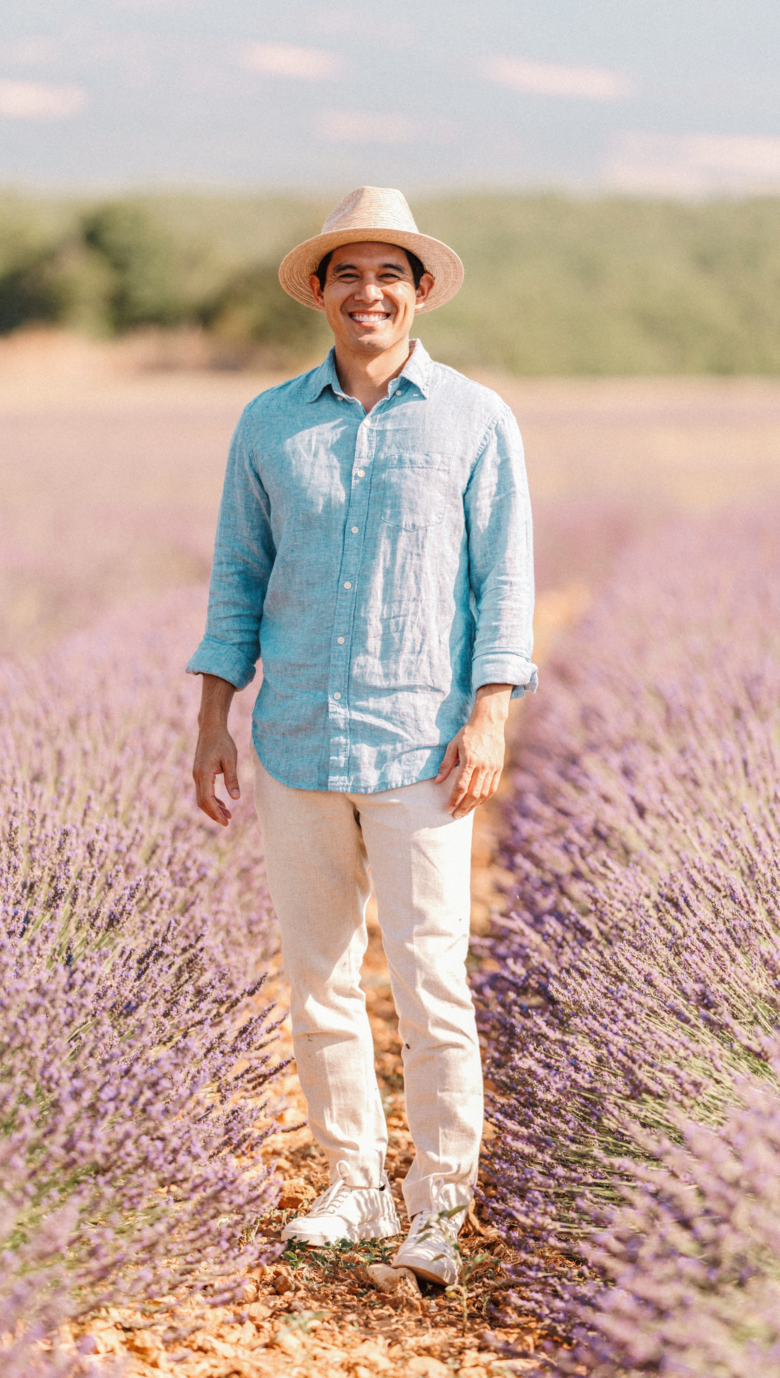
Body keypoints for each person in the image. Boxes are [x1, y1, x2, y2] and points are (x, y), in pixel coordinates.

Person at [188, 186, 536, 1286]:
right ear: (322, 294)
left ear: (419, 291)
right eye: (349, 274)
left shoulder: (475, 418)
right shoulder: (269, 423)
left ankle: (439, 1205)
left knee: (432, 977)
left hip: (425, 744)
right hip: (293, 735)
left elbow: (506, 581)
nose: (369, 292)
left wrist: (490, 713)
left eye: (389, 273)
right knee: (319, 978)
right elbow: (239, 576)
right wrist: (213, 717)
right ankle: (353, 1184)